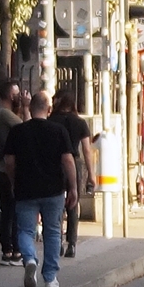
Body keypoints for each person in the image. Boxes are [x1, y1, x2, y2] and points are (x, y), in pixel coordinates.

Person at [2, 91, 75, 287]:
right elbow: (68, 160)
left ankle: (30, 258)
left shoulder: (18, 131)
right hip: (53, 190)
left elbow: (9, 161)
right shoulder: (58, 131)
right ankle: (50, 277)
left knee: (25, 230)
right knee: (52, 231)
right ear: (49, 109)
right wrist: (73, 187)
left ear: (31, 108)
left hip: (26, 188)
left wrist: (13, 180)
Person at [50, 90, 92, 259]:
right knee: (73, 203)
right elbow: (87, 151)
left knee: (57, 202)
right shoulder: (80, 123)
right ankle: (72, 244)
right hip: (74, 162)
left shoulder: (52, 121)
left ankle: (57, 240)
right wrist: (91, 174)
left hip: (55, 163)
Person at [0, 83, 24, 267]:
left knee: (8, 208)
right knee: (13, 209)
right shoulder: (4, 113)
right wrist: (26, 107)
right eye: (17, 93)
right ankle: (13, 249)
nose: (20, 95)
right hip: (7, 168)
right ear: (10, 95)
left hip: (0, 167)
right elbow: (26, 127)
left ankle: (8, 248)